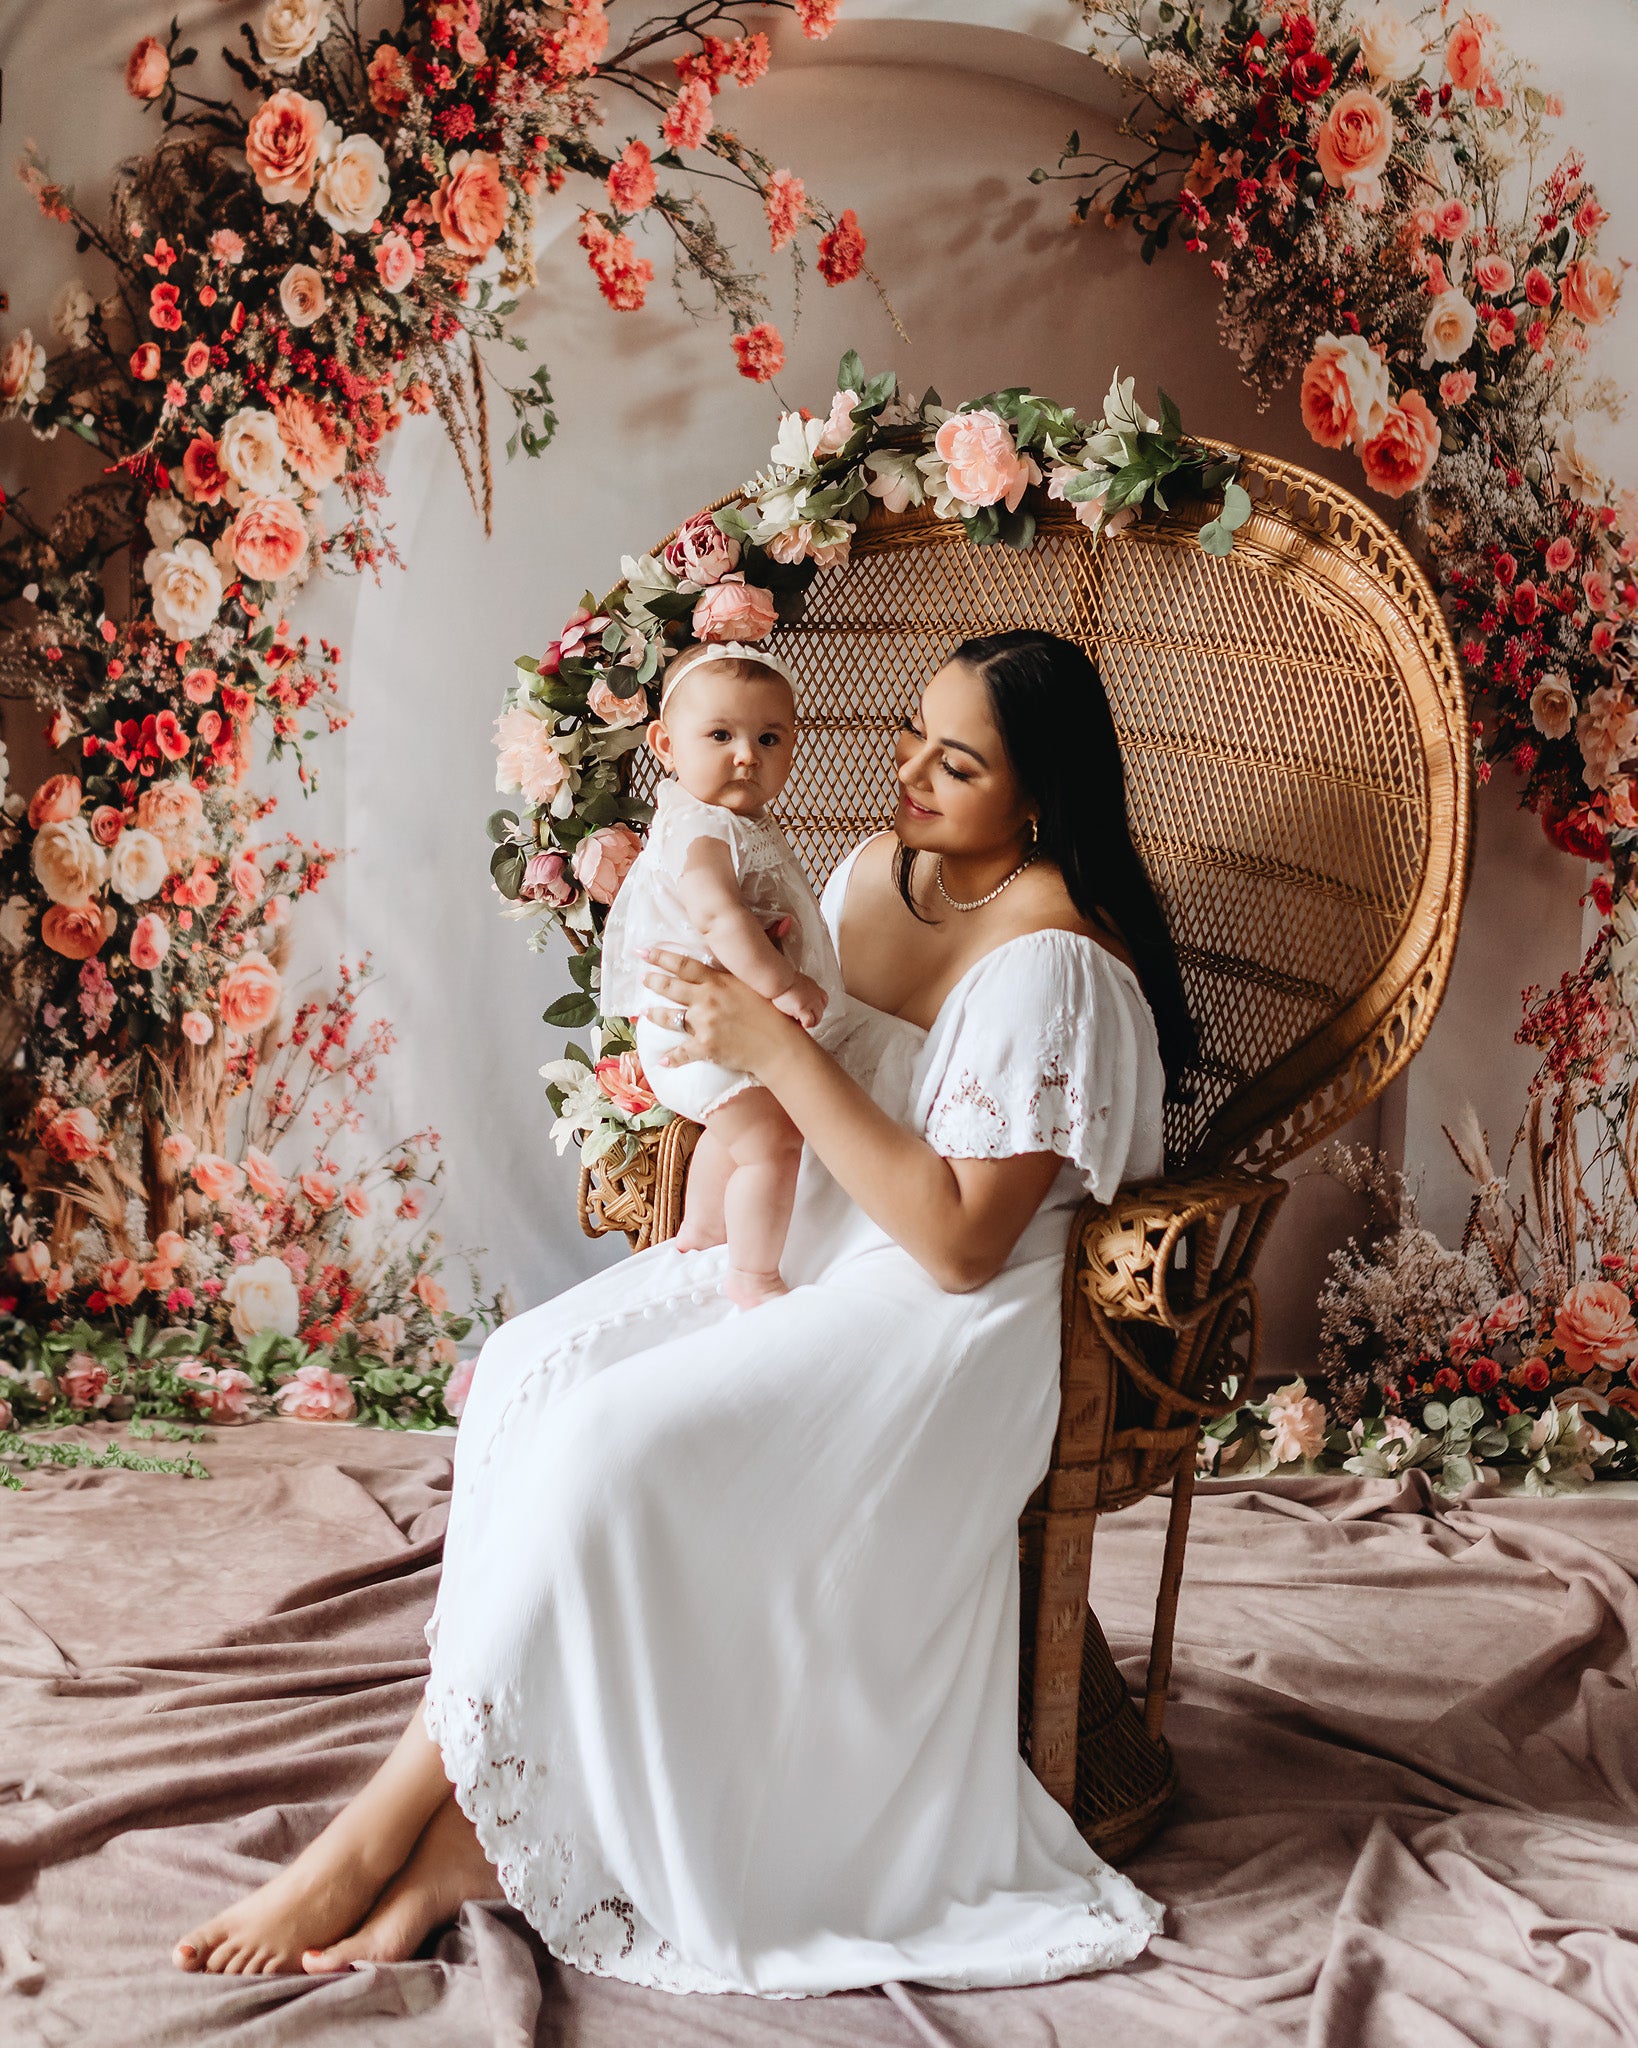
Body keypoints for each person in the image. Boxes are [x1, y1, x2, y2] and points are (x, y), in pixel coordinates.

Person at [173, 628, 1199, 1993]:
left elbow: (961, 1243)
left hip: (952, 1313)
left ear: (1038, 797)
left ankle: (393, 1828)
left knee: (620, 1444)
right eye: (912, 732)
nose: (909, 771)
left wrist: (769, 1040)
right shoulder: (877, 872)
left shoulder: (1052, 963)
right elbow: (769, 1052)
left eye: (958, 765)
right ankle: (479, 1799)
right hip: (821, 1228)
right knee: (533, 1370)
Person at [599, 638, 848, 1305]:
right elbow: (716, 917)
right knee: (775, 1143)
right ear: (665, 744)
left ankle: (704, 1233)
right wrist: (784, 984)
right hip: (691, 1023)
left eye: (769, 738)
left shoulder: (733, 820)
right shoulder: (703, 828)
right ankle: (753, 1275)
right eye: (720, 735)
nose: (747, 755)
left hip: (706, 1020)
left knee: (736, 1125)